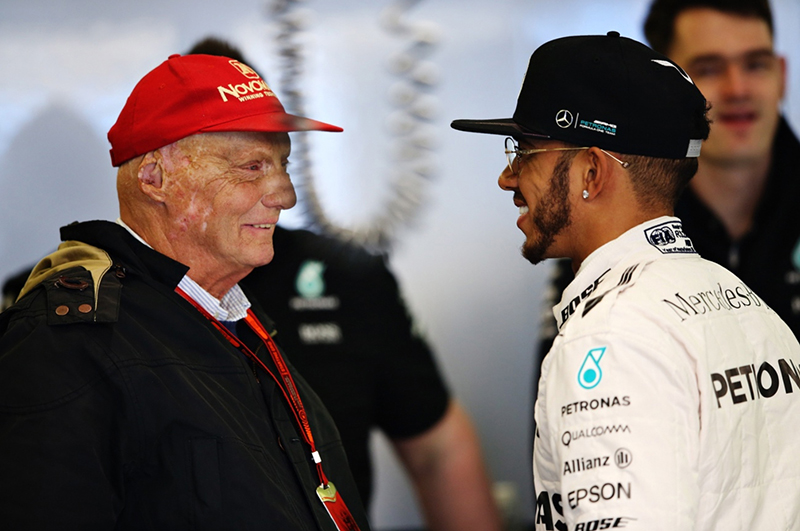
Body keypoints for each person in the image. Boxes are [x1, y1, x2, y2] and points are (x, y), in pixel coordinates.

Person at [0, 53, 370, 530]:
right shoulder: (68, 343)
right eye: (251, 167)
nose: (285, 195)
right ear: (155, 178)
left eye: (283, 164)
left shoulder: (235, 323)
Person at [452, 31, 800, 530]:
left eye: (525, 151)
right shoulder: (749, 308)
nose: (508, 177)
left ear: (592, 172)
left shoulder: (610, 338)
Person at [185, 37, 502, 531]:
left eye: (273, 160)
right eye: (242, 164)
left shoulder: (348, 276)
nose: (274, 191)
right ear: (162, 174)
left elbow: (438, 448)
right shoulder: (103, 293)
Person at [540, 0, 798, 356]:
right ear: (664, 91)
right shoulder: (609, 225)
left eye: (755, 64)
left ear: (782, 74)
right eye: (709, 69)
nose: (738, 89)